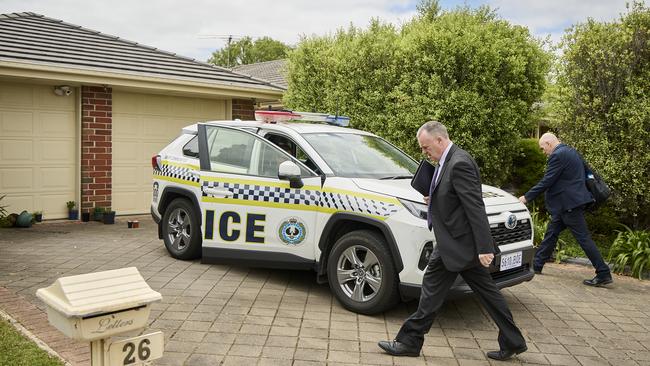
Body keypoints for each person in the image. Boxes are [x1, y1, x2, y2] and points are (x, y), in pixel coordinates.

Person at [378, 121, 527, 361]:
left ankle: (409, 341)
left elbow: (475, 206)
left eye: (426, 147)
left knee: (432, 289)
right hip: (456, 243)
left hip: (459, 244)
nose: (424, 152)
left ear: (439, 140)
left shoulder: (459, 163)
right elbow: (453, 197)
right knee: (487, 293)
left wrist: (485, 248)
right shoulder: (447, 161)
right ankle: (513, 341)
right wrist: (434, 200)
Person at [518, 133, 612, 286]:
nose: (543, 152)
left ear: (549, 143)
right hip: (567, 204)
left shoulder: (558, 155)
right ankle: (537, 264)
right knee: (552, 232)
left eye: (543, 149)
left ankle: (603, 272)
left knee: (584, 239)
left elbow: (547, 180)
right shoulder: (571, 151)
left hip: (569, 205)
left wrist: (527, 197)